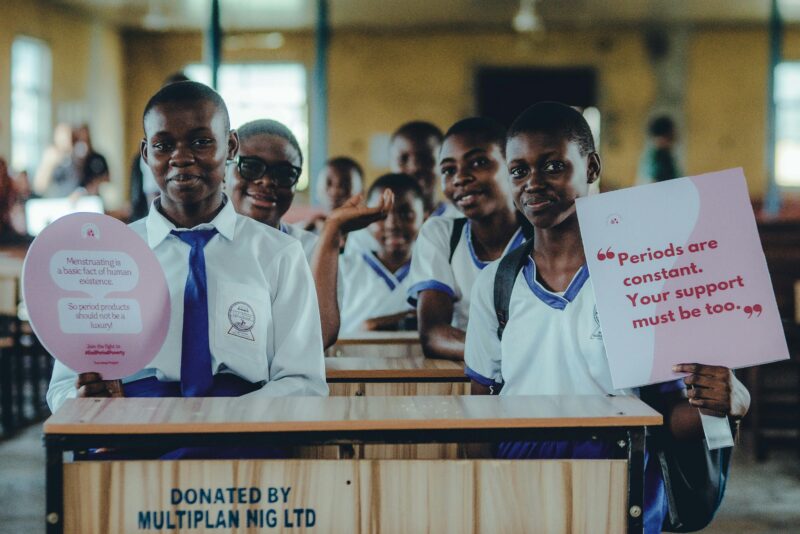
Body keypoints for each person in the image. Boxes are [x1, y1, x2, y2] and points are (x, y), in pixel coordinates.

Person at [464, 102, 750, 533]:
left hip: (624, 484)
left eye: (554, 165)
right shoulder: (496, 284)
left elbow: (672, 416)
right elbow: (481, 409)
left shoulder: (646, 276)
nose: (534, 183)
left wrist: (728, 405)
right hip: (519, 484)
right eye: (519, 171)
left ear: (592, 167)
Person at [47, 82, 327, 430]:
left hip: (246, 432)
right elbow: (62, 386)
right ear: (147, 154)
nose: (181, 157)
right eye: (164, 145)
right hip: (131, 430)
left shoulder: (279, 254)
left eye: (200, 141)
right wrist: (82, 401)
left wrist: (219, 420)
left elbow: (304, 383)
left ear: (231, 146)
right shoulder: (108, 257)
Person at [407, 117, 528, 361]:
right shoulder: (440, 234)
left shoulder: (541, 234)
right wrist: (522, 356)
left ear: (512, 166)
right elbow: (433, 335)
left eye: (479, 162)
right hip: (471, 380)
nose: (460, 178)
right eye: (448, 170)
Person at [337, 173, 423, 334]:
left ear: (424, 216)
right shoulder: (344, 268)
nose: (393, 224)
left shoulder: (433, 268)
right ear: (366, 218)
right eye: (382, 215)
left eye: (406, 214)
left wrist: (376, 324)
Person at [302, 157, 364, 234]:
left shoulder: (370, 234)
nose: (335, 192)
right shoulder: (300, 230)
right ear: (317, 188)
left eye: (345, 185)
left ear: (361, 193)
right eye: (328, 183)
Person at [638, 115, 681, 185]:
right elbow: (652, 182)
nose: (676, 136)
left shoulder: (662, 154)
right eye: (673, 132)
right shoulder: (658, 157)